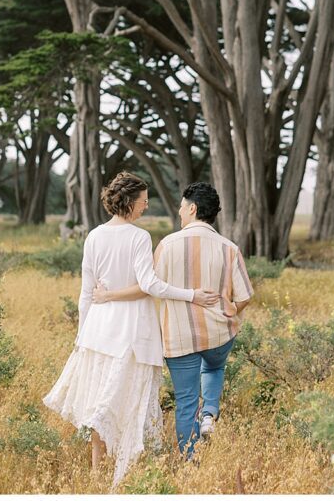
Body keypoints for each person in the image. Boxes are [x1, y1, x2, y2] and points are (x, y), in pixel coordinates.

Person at [43, 172, 219, 487]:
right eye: (143, 202)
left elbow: (86, 293)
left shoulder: (94, 236)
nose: (145, 208)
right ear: (128, 202)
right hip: (131, 334)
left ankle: (100, 475)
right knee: (127, 404)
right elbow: (149, 285)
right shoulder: (138, 237)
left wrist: (82, 335)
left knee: (101, 402)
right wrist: (193, 294)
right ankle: (120, 478)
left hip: (98, 332)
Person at [92, 182, 254, 459]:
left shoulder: (167, 245)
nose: (179, 212)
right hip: (218, 334)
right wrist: (230, 312)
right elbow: (245, 296)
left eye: (181, 207)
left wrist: (108, 296)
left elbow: (150, 286)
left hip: (179, 338)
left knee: (186, 402)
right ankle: (210, 413)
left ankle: (191, 461)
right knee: (214, 367)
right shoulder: (230, 248)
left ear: (192, 208)